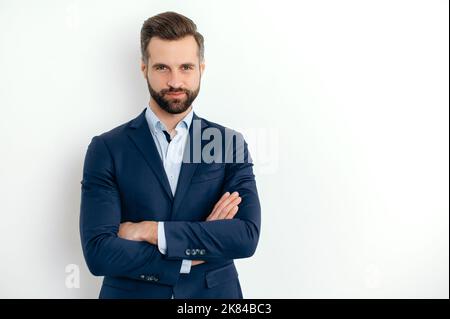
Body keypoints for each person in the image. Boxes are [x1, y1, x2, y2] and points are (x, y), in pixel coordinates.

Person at [79, 11, 261, 299]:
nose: (175, 81)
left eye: (186, 67)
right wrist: (194, 252)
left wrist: (150, 231)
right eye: (162, 68)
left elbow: (245, 237)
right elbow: (99, 253)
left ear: (201, 68)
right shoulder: (107, 148)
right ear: (144, 69)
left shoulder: (228, 143)